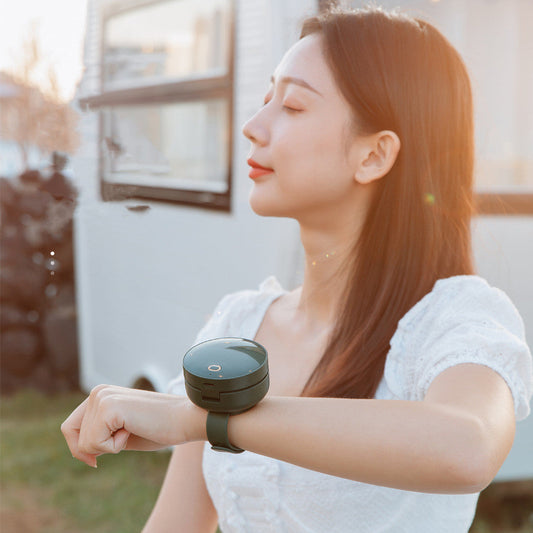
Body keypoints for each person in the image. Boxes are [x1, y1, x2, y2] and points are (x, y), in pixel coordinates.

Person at [61, 6, 533, 532]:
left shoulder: (456, 320)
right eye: (266, 99)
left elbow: (466, 447)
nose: (252, 126)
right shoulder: (238, 324)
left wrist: (206, 419)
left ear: (374, 155)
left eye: (291, 105)